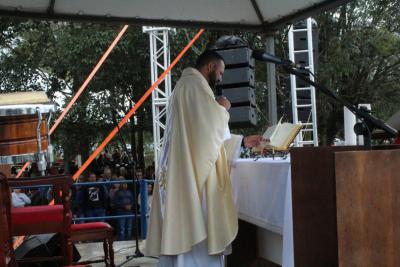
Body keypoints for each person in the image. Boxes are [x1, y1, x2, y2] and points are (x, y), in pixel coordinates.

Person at [146, 50, 262, 266]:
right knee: (195, 243)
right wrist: (223, 109)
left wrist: (243, 141)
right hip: (193, 184)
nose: (220, 78)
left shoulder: (188, 86)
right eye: (220, 72)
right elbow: (208, 132)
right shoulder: (193, 86)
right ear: (210, 66)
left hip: (185, 174)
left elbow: (205, 139)